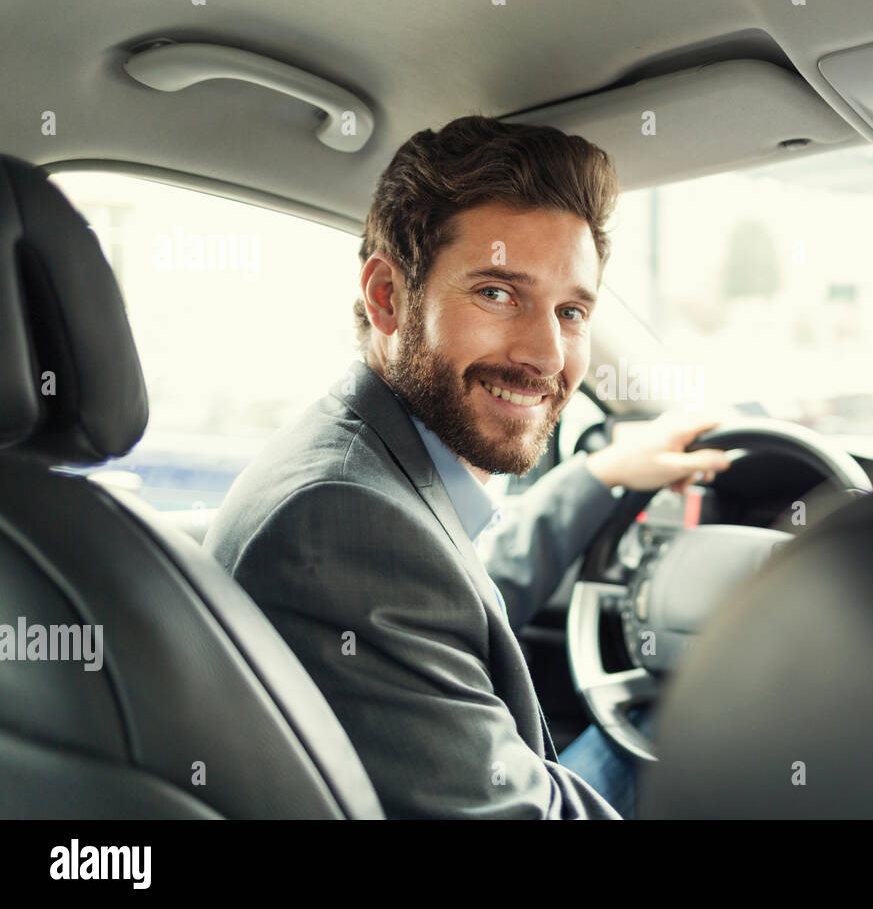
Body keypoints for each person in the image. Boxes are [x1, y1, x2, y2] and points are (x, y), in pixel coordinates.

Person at [203, 116, 730, 818]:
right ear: (388, 297)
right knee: (698, 730)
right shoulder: (336, 524)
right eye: (498, 293)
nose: (546, 355)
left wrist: (599, 474)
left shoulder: (363, 467)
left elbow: (454, 597)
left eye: (572, 311)